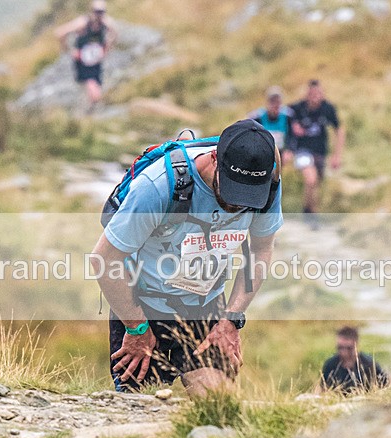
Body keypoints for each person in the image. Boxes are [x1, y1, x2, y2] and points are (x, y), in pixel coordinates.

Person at [90, 119, 283, 397]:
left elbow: (261, 249)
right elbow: (104, 259)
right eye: (232, 191)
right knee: (139, 409)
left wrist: (231, 319)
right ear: (215, 158)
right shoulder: (157, 186)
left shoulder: (267, 184)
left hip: (206, 309)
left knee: (218, 406)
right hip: (144, 308)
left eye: (248, 197)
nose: (238, 204)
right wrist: (137, 327)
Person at [289, 79, 346, 224]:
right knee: (311, 179)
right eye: (312, 94)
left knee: (315, 184)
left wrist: (337, 155)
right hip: (302, 150)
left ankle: (307, 210)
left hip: (320, 152)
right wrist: (293, 128)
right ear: (307, 94)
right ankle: (313, 216)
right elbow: (282, 118)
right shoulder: (297, 108)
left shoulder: (327, 108)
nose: (315, 97)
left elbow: (339, 129)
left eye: (318, 94)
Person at [54, 0, 117, 108]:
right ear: (91, 11)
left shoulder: (106, 23)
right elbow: (60, 33)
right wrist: (69, 51)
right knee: (93, 90)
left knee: (96, 88)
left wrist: (106, 49)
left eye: (101, 12)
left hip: (96, 61)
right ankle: (92, 109)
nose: (99, 15)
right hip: (83, 62)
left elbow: (115, 34)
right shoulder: (82, 23)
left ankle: (90, 111)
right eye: (97, 11)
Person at [320, 326, 388, 394]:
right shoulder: (330, 365)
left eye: (349, 348)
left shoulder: (369, 365)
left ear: (357, 345)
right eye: (340, 348)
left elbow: (385, 387)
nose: (344, 353)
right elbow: (323, 390)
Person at [248, 86, 293, 165]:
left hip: (281, 151)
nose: (275, 105)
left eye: (278, 102)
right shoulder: (258, 118)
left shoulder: (288, 116)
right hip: (263, 152)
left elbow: (292, 136)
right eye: (273, 102)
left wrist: (289, 150)